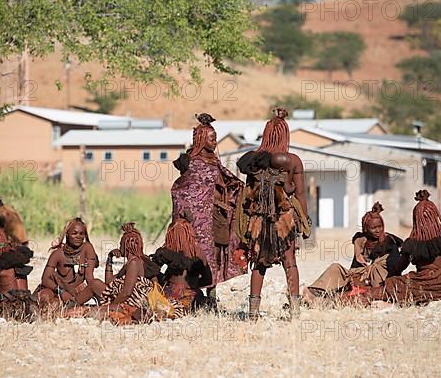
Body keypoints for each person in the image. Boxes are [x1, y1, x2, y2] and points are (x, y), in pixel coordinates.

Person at [236, 108, 311, 320]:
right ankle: (295, 313)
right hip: (284, 220)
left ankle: (253, 314)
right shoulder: (293, 161)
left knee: (259, 263)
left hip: (259, 220)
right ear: (285, 135)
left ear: (266, 134)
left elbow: (247, 194)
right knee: (290, 262)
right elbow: (301, 193)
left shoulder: (254, 162)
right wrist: (305, 221)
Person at [171, 113, 245, 308]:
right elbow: (182, 191)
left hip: (213, 221)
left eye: (215, 138)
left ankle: (211, 299)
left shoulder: (214, 162)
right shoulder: (191, 163)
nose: (214, 142)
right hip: (194, 223)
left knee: (213, 257)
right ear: (202, 138)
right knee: (193, 257)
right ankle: (190, 299)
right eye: (211, 138)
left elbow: (227, 181)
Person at [365, 190, 441, 305]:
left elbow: (400, 267)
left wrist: (389, 278)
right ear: (436, 215)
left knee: (389, 288)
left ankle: (358, 297)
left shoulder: (412, 243)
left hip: (422, 286)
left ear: (415, 219)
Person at [302, 202, 403, 304]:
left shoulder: (390, 242)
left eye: (380, 227)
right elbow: (354, 268)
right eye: (374, 228)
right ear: (366, 229)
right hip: (359, 279)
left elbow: (395, 268)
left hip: (378, 285)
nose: (378, 230)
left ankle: (328, 301)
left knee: (373, 272)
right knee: (335, 268)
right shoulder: (361, 241)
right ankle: (313, 292)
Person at [151, 216, 213, 317]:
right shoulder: (198, 252)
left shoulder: (164, 251)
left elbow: (152, 272)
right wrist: (193, 285)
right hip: (192, 296)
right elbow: (208, 280)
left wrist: (165, 280)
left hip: (169, 294)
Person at [94, 223, 155, 325]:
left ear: (124, 246)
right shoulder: (135, 261)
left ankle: (69, 306)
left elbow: (126, 293)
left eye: (120, 244)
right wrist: (110, 258)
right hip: (124, 297)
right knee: (95, 283)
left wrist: (110, 307)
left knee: (90, 309)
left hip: (131, 302)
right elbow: (109, 282)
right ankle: (71, 304)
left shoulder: (134, 263)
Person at [34, 218, 103, 306]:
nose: (78, 236)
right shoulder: (57, 254)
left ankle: (69, 305)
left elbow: (89, 278)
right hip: (56, 290)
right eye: (74, 233)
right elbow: (45, 279)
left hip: (75, 293)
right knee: (45, 297)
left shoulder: (87, 248)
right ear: (67, 234)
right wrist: (61, 292)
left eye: (81, 234)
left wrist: (97, 295)